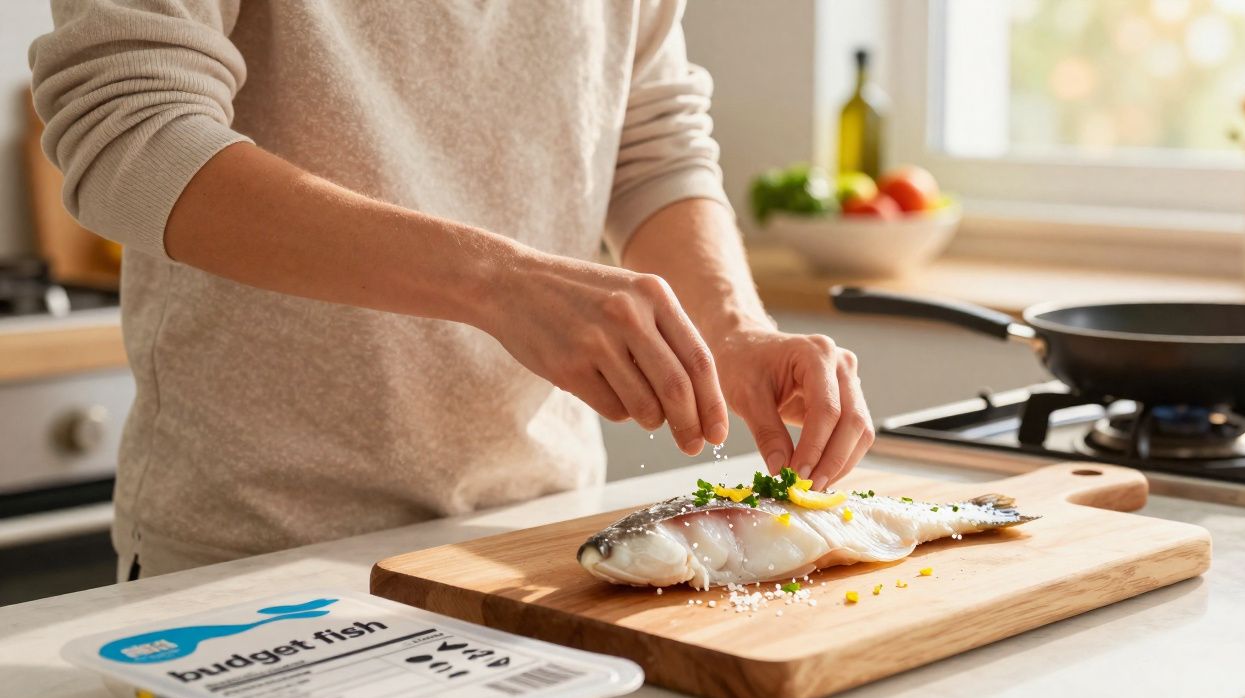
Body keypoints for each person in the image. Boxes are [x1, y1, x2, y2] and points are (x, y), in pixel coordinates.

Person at [29, 0, 873, 579]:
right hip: (256, 548)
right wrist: (499, 282)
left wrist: (733, 328)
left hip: (541, 540)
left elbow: (650, 140)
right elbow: (130, 131)